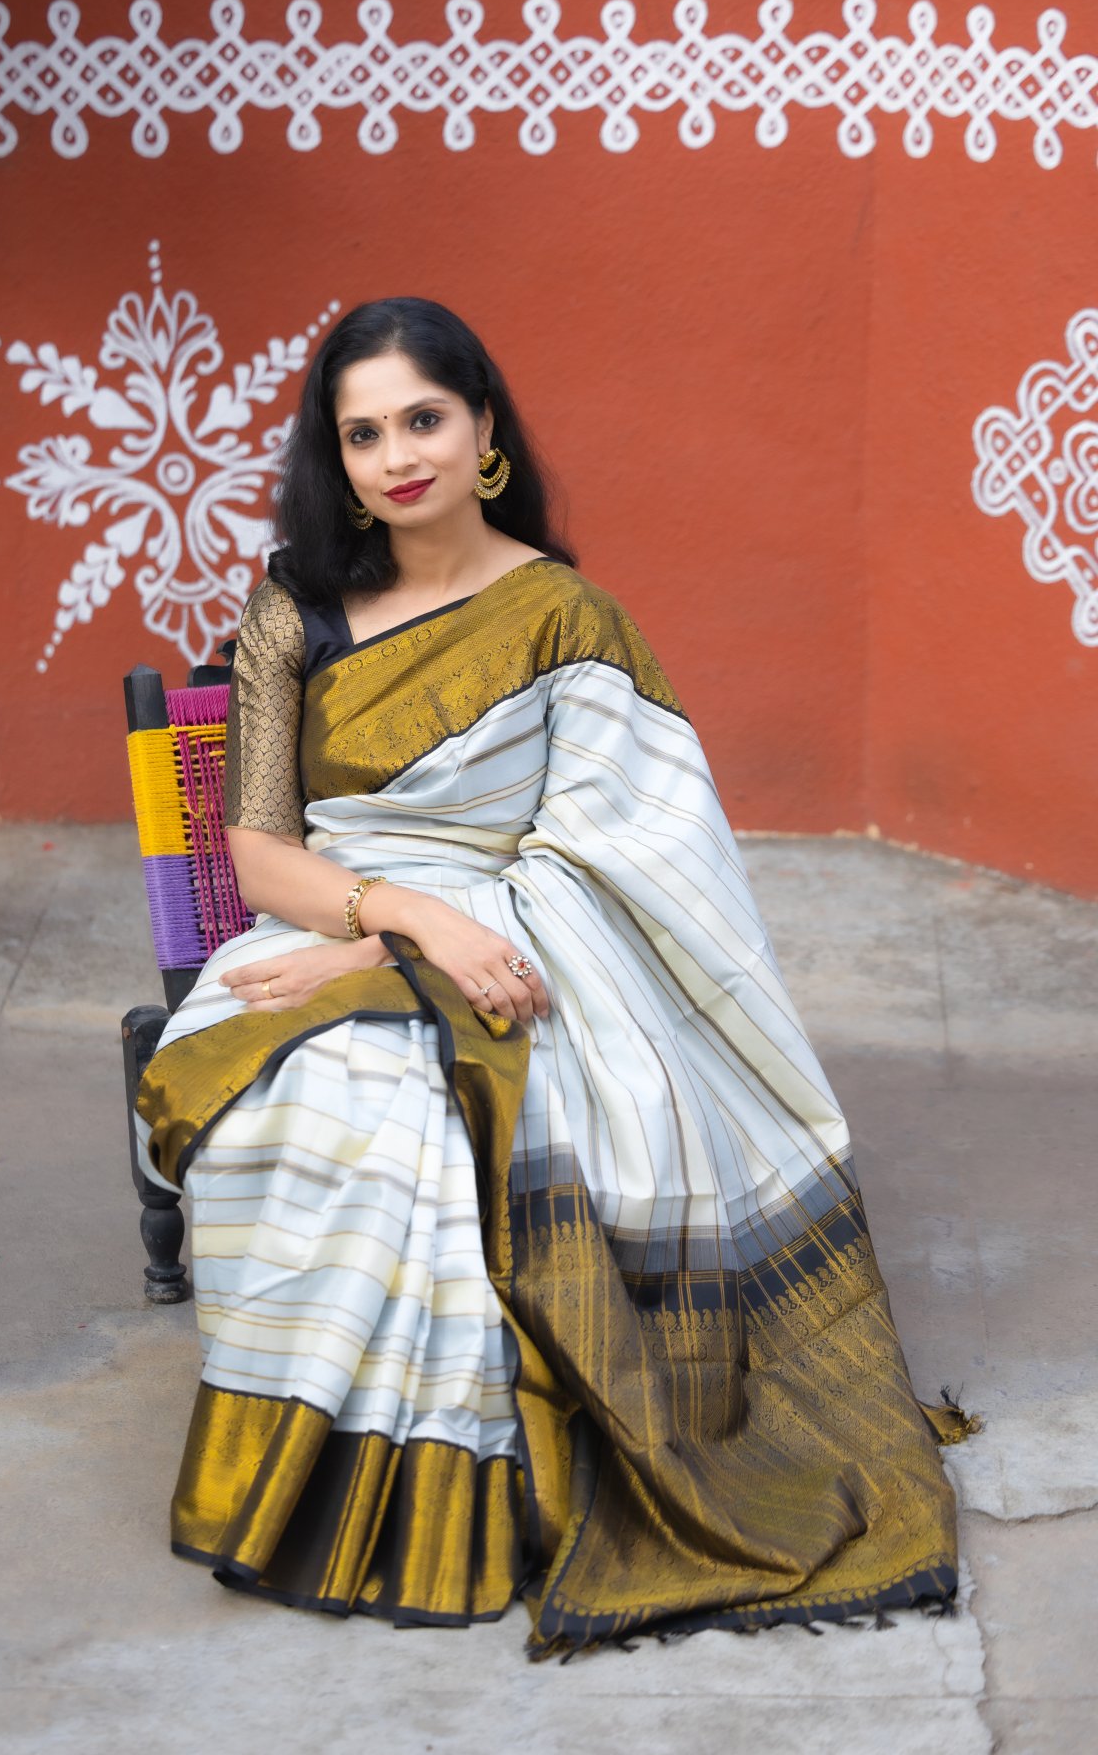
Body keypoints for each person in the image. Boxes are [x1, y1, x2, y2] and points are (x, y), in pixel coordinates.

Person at [135, 295, 979, 1660]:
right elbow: (261, 848)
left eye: (424, 418)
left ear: (484, 432)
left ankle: (456, 1499)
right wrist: (393, 924)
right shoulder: (294, 606)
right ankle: (315, 1489)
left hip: (530, 941)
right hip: (342, 917)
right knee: (291, 1110)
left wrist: (449, 938)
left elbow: (618, 853)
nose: (396, 455)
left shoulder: (563, 615)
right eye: (363, 433)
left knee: (422, 1127)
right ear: (331, 455)